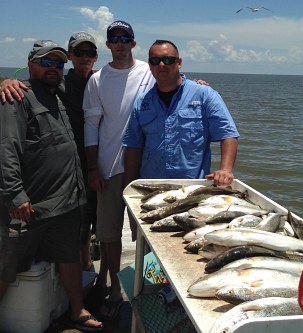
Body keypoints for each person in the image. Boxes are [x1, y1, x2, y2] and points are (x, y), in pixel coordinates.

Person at [0, 40, 103, 331]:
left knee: (69, 258)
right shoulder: (16, 97)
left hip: (66, 201)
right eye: (46, 63)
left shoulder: (57, 95)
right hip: (29, 205)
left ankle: (77, 309)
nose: (54, 68)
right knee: (8, 266)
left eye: (59, 63)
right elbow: (7, 148)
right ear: (31, 65)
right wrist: (15, 194)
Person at [83, 20, 155, 320]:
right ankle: (114, 288)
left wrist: (198, 84)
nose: (120, 42)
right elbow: (91, 125)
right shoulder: (98, 80)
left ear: (133, 43)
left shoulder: (149, 72)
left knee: (149, 235)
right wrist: (92, 168)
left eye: (125, 38)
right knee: (110, 235)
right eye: (115, 38)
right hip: (109, 170)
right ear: (108, 44)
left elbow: (174, 81)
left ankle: (150, 290)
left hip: (145, 169)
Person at [123, 39, 239, 186]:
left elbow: (228, 134)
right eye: (155, 60)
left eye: (168, 60)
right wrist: (128, 188)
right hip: (151, 185)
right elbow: (133, 147)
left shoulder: (204, 95)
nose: (162, 65)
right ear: (150, 65)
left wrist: (225, 170)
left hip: (193, 187)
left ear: (179, 62)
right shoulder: (141, 102)